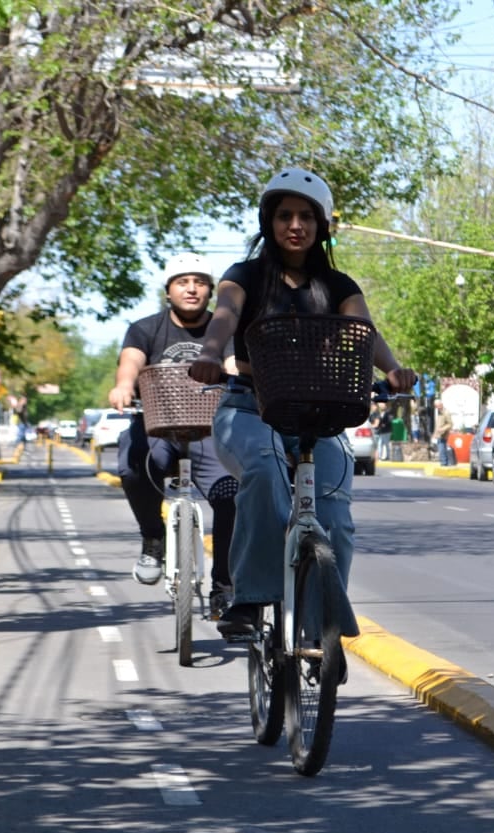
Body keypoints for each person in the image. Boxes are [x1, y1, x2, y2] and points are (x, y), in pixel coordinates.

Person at [189, 166, 415, 639]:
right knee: (266, 467)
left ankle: (322, 626)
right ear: (269, 223)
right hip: (249, 409)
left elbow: (363, 335)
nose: (296, 225)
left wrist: (391, 370)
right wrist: (211, 353)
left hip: (319, 416)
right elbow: (224, 316)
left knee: (336, 517)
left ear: (323, 225)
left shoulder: (339, 287)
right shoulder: (243, 276)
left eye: (307, 216)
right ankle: (251, 599)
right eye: (285, 215)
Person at [108, 253, 238, 618]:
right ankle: (153, 538)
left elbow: (230, 363)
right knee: (134, 466)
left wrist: (235, 374)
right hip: (158, 426)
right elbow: (131, 361)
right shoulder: (145, 328)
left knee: (232, 493)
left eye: (199, 282)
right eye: (183, 282)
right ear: (168, 290)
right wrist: (123, 386)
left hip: (211, 430)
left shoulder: (224, 329)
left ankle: (224, 586)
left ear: (210, 291)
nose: (191, 288)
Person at [433, 401, 454, 465]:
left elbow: (450, 424)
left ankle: (444, 463)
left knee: (442, 449)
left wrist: (442, 429)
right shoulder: (440, 413)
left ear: (441, 405)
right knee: (441, 449)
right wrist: (434, 434)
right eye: (436, 406)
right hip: (439, 435)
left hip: (443, 434)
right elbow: (438, 424)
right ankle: (444, 462)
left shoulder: (446, 412)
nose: (437, 408)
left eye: (437, 406)